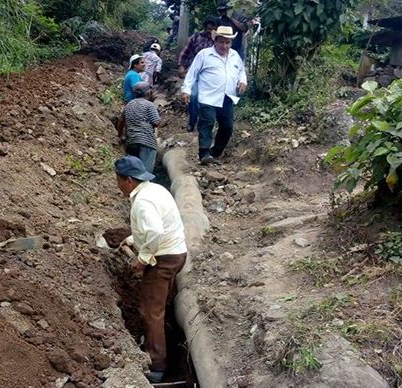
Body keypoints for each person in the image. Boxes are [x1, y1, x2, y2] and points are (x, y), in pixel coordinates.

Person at [114, 155, 187, 384]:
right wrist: (132, 238)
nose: (117, 185)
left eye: (117, 180)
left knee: (149, 310)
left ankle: (156, 364)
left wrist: (143, 259)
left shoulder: (143, 201)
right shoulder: (154, 190)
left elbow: (155, 232)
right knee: (158, 305)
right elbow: (154, 226)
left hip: (163, 259)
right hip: (176, 252)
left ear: (128, 180)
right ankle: (162, 341)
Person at [180, 26, 247, 165]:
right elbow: (192, 73)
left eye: (227, 42)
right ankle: (204, 153)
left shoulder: (235, 56)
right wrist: (186, 90)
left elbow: (241, 72)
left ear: (231, 43)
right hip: (208, 96)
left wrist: (242, 81)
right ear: (215, 41)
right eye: (221, 42)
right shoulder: (204, 55)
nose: (224, 45)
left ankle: (215, 153)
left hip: (228, 97)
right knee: (207, 122)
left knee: (227, 127)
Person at [177, 16, 217, 132]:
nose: (210, 32)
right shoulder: (196, 37)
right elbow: (186, 51)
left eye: (212, 29)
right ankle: (192, 121)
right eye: (208, 29)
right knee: (193, 96)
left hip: (210, 75)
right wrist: (181, 66)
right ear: (205, 27)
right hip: (194, 72)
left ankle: (204, 123)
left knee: (206, 99)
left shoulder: (217, 40)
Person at [116, 82, 160, 173]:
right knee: (145, 173)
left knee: (134, 171)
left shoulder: (129, 105)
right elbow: (156, 122)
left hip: (131, 141)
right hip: (147, 142)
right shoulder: (149, 105)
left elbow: (120, 120)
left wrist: (119, 135)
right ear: (148, 93)